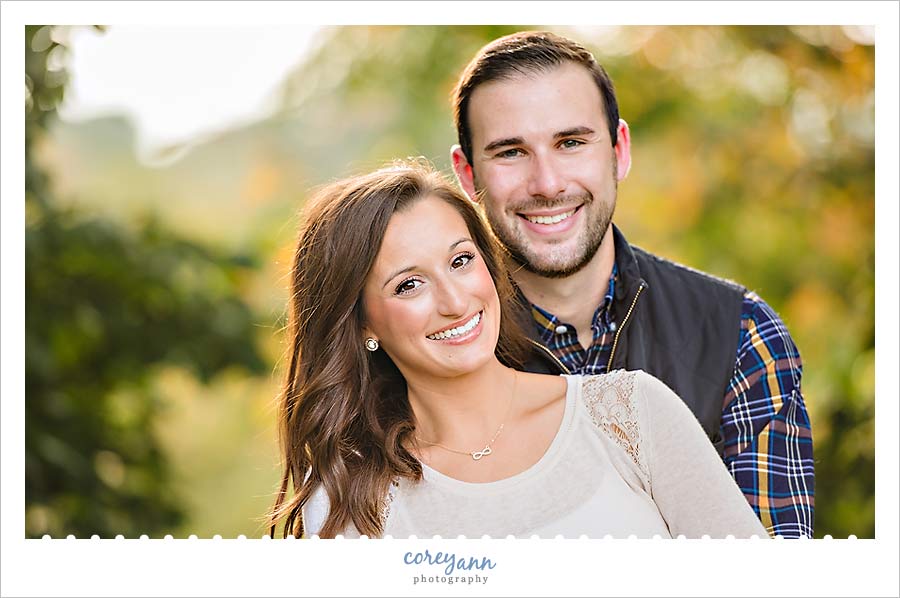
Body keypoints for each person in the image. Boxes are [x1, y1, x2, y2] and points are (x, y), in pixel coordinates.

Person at [268, 161, 767, 539]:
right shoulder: (345, 504)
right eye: (409, 285)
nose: (456, 301)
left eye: (461, 260)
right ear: (359, 326)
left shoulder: (631, 414)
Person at [448, 31, 814, 538]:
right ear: (468, 175)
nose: (548, 183)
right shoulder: (434, 353)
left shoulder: (741, 336)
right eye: (511, 152)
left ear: (619, 150)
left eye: (571, 143)